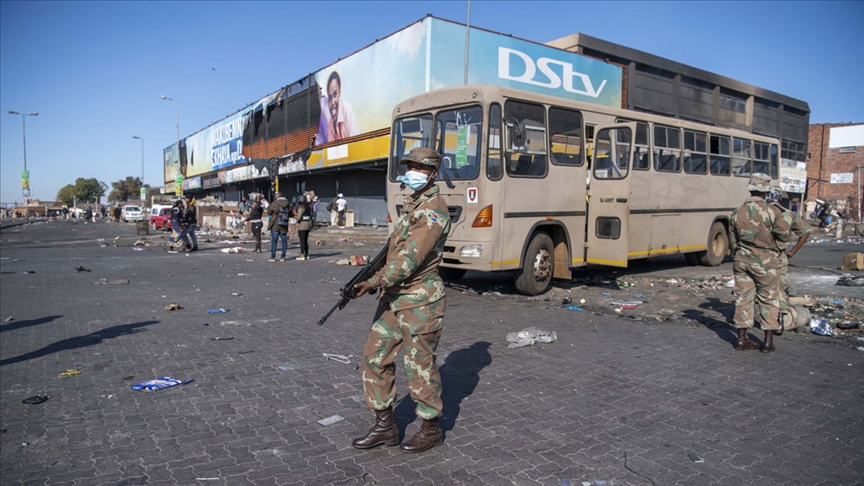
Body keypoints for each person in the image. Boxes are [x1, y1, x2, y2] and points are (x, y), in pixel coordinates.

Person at [350, 147, 451, 454]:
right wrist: (371, 272)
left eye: (420, 167)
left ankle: (431, 429)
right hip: (394, 298)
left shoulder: (433, 211)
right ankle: (385, 426)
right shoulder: (412, 204)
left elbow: (409, 259)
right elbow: (394, 251)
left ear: (433, 173)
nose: (413, 172)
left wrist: (374, 281)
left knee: (418, 366)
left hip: (420, 301)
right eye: (410, 166)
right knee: (374, 357)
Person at [728, 173, 791, 353]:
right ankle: (768, 342)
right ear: (766, 191)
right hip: (766, 261)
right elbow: (784, 235)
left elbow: (733, 242)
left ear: (750, 189)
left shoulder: (737, 212)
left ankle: (741, 340)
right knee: (769, 299)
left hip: (742, 260)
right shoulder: (773, 212)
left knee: (743, 299)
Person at [765, 189, 811, 334]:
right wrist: (792, 251)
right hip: (780, 256)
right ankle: (779, 320)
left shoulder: (761, 212)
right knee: (778, 288)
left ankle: (763, 318)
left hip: (761, 256)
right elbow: (806, 231)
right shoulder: (788, 214)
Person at [317, 71, 361, 144]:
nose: (333, 102)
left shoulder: (347, 111)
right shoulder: (330, 122)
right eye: (330, 98)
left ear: (340, 92)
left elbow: (357, 143)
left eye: (335, 95)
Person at [266, 192, 290, 262]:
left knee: (274, 241)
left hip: (275, 224)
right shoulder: (287, 203)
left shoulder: (275, 203)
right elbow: (290, 212)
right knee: (284, 241)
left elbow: (269, 212)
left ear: (277, 197)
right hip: (284, 224)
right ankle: (283, 257)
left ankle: (273, 257)